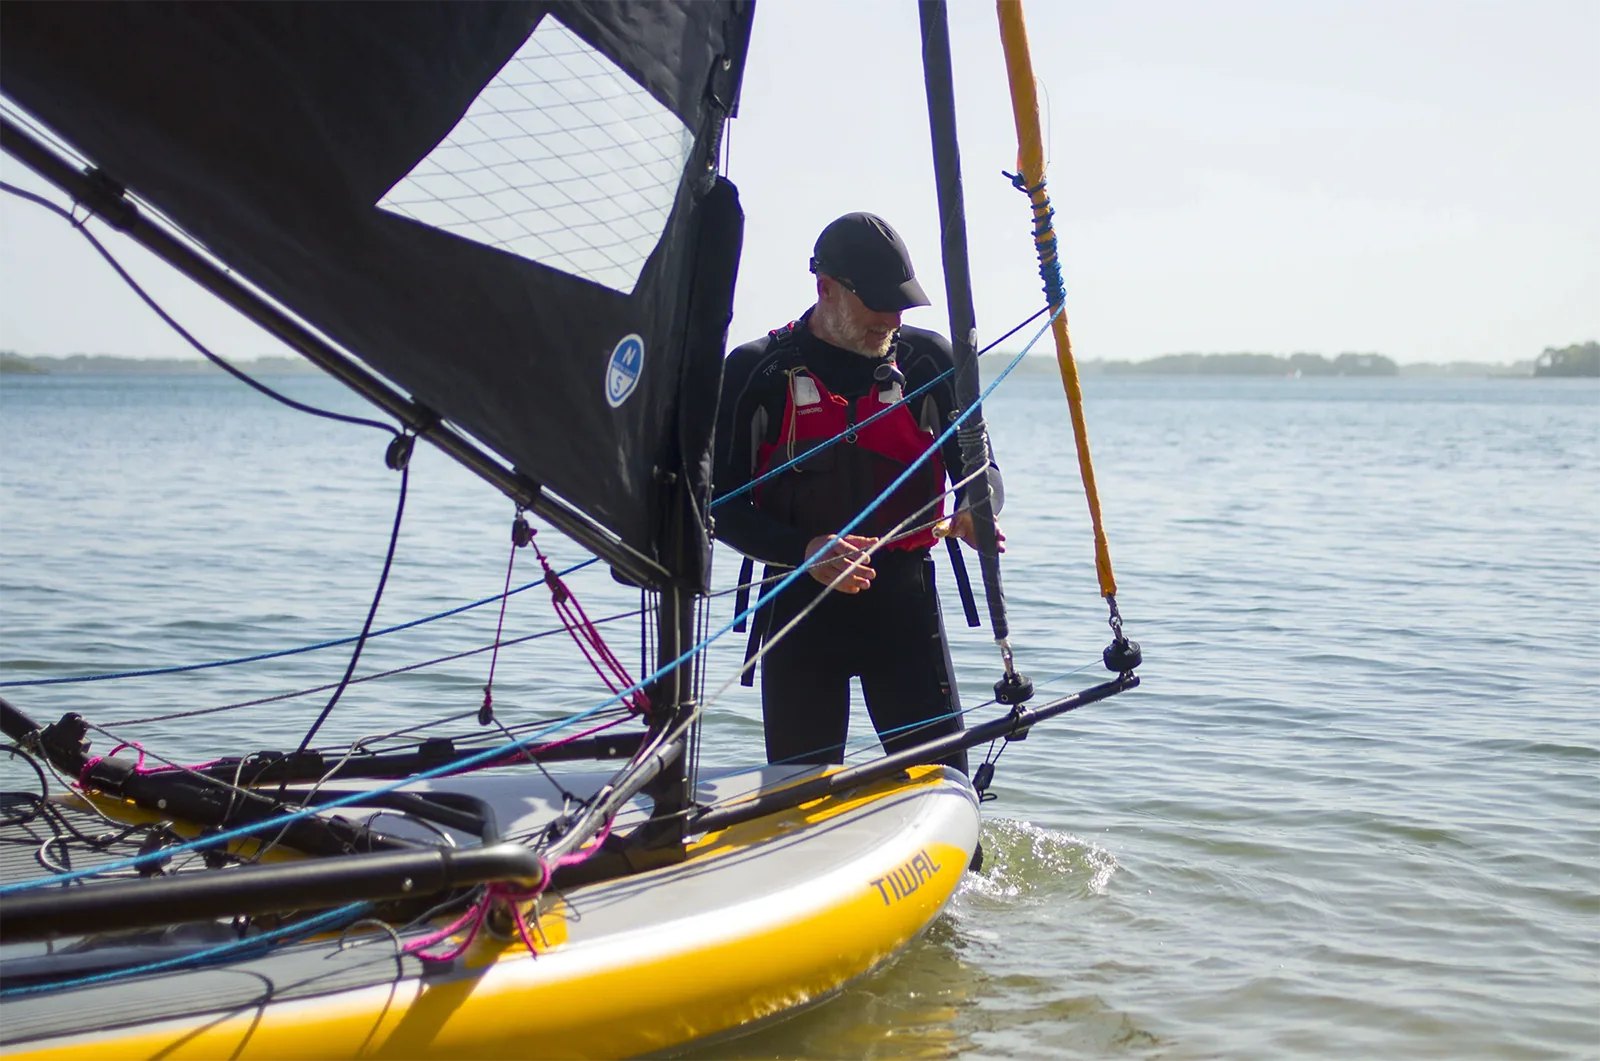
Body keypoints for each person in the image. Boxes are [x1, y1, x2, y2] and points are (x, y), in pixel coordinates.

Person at [712, 212, 1003, 773]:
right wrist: (805, 553)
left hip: (905, 609)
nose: (891, 318)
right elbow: (717, 507)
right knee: (801, 803)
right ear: (826, 288)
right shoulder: (757, 372)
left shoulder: (930, 361)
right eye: (875, 302)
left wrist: (976, 508)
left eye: (901, 304)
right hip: (798, 613)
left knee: (943, 789)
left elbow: (983, 471)